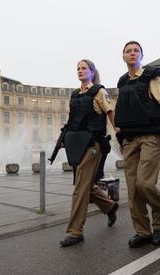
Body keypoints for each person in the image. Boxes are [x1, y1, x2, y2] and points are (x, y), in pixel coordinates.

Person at [115, 41, 160, 248]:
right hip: (129, 139)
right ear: (123, 56)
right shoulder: (122, 82)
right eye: (128, 51)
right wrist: (118, 132)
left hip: (150, 137)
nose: (132, 54)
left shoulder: (151, 77)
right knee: (133, 189)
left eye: (136, 51)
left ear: (141, 55)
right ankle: (142, 231)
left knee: (145, 184)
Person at [60, 59, 119, 247]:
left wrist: (120, 133)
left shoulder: (99, 92)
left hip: (94, 144)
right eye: (78, 68)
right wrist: (63, 139)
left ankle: (75, 231)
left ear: (92, 72)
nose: (80, 71)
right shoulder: (75, 94)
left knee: (79, 188)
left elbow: (110, 113)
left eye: (84, 68)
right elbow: (73, 120)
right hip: (77, 144)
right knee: (84, 184)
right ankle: (110, 206)